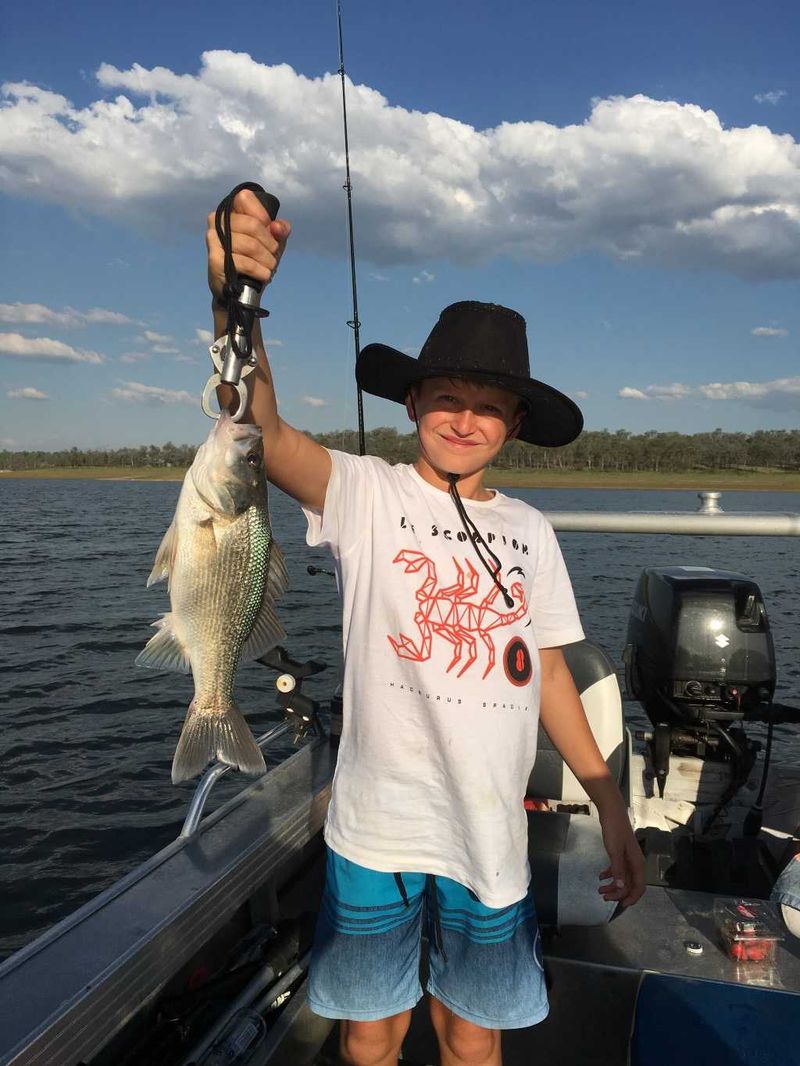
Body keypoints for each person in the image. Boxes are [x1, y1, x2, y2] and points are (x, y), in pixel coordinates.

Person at [206, 189, 645, 1066]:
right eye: (446, 396)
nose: (464, 419)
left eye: (489, 406)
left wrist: (610, 802)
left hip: (491, 835)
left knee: (472, 1036)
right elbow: (261, 429)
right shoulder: (365, 492)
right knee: (369, 1034)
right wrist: (233, 302)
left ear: (515, 425)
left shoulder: (531, 531)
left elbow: (547, 669)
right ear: (411, 403)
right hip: (376, 830)